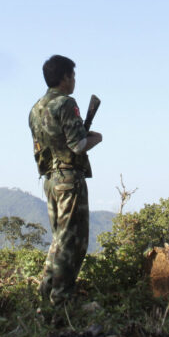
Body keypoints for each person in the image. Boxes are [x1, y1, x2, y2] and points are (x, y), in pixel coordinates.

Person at [28, 55, 103, 308]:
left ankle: (47, 290)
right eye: (72, 76)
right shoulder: (65, 103)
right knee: (73, 241)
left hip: (49, 179)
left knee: (60, 238)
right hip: (69, 179)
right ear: (65, 78)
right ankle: (61, 300)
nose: (74, 81)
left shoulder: (36, 108)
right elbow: (77, 145)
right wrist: (96, 138)